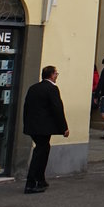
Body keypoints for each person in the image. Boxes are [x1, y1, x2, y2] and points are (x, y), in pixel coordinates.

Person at [22, 65, 69, 193]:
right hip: (43, 128)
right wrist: (64, 127)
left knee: (43, 149)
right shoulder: (52, 89)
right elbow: (57, 108)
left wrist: (26, 124)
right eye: (56, 74)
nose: (56, 77)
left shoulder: (33, 88)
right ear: (52, 75)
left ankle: (40, 179)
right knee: (40, 153)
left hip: (33, 127)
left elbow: (26, 107)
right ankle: (31, 183)